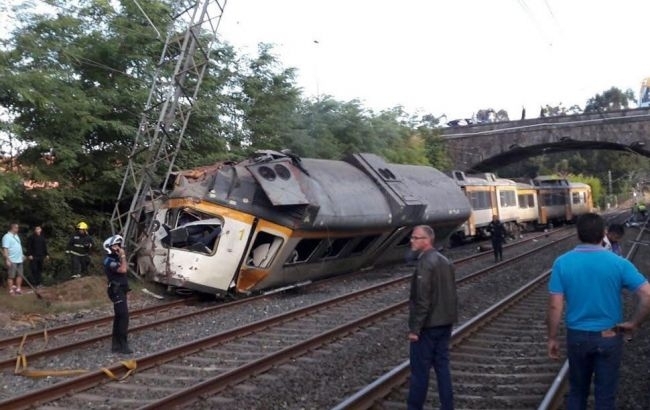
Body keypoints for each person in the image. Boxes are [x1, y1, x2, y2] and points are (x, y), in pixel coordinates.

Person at [547, 213, 650, 409]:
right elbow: (647, 295)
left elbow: (555, 305)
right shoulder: (619, 263)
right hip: (609, 335)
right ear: (603, 233)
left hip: (577, 336)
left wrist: (552, 337)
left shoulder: (562, 263)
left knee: (577, 391)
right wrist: (634, 323)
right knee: (605, 394)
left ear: (578, 234)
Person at [407, 225, 458, 410]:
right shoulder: (445, 261)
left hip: (428, 327)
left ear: (427, 240)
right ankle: (448, 406)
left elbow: (423, 299)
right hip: (445, 323)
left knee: (419, 373)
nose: (411, 241)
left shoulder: (425, 263)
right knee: (443, 369)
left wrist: (415, 329)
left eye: (415, 237)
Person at [103, 234, 133, 354]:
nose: (118, 248)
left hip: (121, 290)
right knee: (124, 317)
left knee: (119, 317)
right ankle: (123, 345)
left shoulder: (116, 258)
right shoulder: (108, 260)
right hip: (115, 291)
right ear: (109, 247)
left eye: (118, 245)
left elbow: (124, 273)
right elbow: (123, 269)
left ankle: (115, 345)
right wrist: (123, 256)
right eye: (115, 245)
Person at [2, 223, 25, 295]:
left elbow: (18, 246)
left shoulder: (16, 236)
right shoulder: (7, 237)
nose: (18, 229)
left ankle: (18, 289)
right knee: (11, 276)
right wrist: (7, 260)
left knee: (20, 275)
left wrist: (22, 255)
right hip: (12, 260)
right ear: (12, 228)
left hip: (19, 259)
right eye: (16, 228)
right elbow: (5, 249)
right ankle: (11, 290)